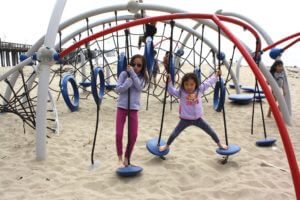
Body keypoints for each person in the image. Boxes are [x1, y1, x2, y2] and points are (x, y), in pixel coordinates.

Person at [159, 71, 227, 152]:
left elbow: (209, 82)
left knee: (210, 131)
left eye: (192, 84)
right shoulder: (181, 92)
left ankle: (220, 144)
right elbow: (171, 90)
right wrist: (169, 81)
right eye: (186, 84)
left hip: (198, 119)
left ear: (196, 84)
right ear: (183, 85)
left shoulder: (200, 89)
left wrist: (216, 76)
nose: (189, 87)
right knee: (174, 134)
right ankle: (166, 146)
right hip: (185, 120)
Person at [115, 54, 149, 167]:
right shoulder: (124, 74)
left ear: (142, 67)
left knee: (133, 135)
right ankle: (119, 157)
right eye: (133, 64)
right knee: (119, 134)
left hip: (133, 108)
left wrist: (133, 75)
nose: (135, 67)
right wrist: (126, 84)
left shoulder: (143, 77)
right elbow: (117, 89)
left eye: (139, 65)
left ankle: (127, 157)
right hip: (122, 107)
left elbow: (139, 87)